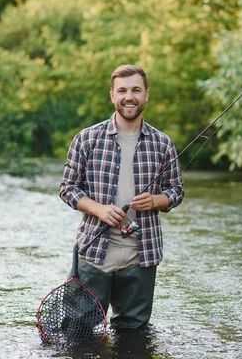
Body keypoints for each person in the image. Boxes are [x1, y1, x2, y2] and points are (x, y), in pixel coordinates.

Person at [60, 64, 184, 330]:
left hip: (142, 254)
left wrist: (155, 201)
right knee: (77, 333)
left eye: (136, 90)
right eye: (123, 91)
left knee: (134, 335)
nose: (130, 97)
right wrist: (99, 209)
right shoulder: (86, 139)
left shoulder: (162, 144)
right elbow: (68, 188)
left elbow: (176, 192)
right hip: (94, 250)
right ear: (112, 95)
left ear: (146, 95)